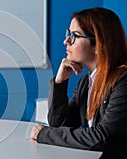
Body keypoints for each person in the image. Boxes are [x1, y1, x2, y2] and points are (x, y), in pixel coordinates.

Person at [30, 7, 127, 158]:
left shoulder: (123, 81)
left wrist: (44, 134)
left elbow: (102, 137)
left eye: (74, 36)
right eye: (68, 34)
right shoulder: (86, 83)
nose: (66, 41)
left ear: (98, 44)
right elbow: (59, 124)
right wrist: (60, 82)